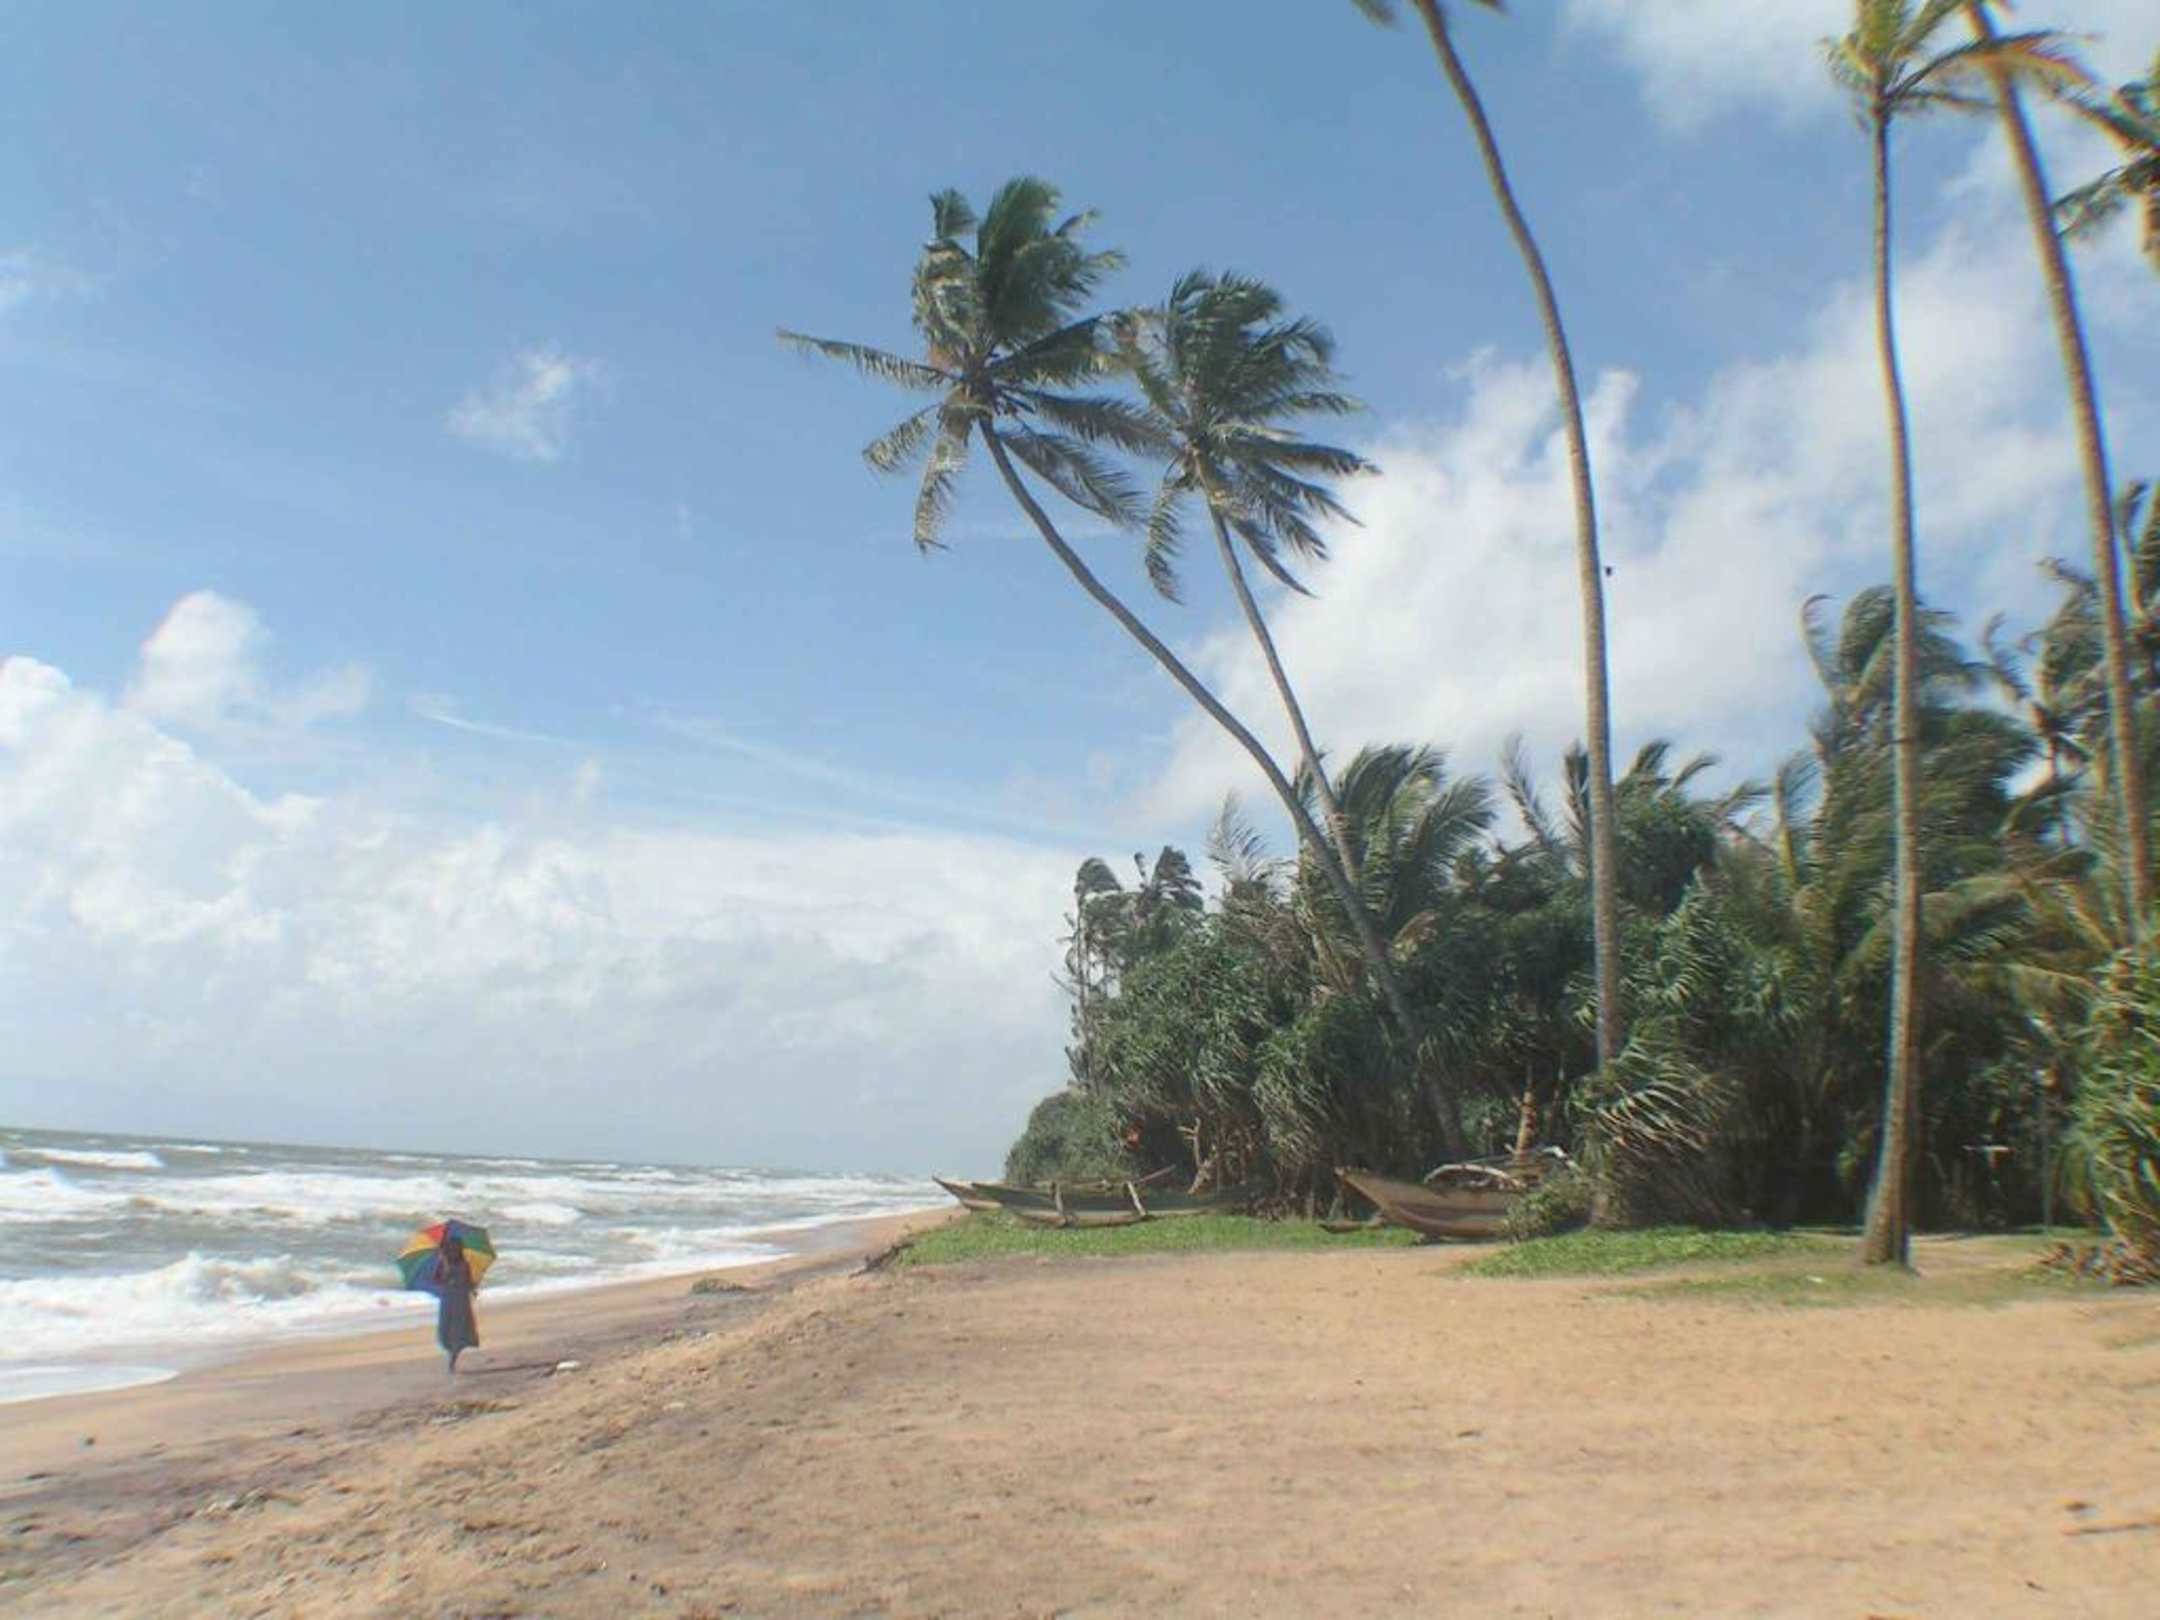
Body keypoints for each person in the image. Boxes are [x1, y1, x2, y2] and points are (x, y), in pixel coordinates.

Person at [436, 1235, 480, 1375]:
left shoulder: (464, 1264)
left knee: (460, 1329)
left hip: (461, 1299)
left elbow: (469, 1280)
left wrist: (472, 1289)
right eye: (451, 1249)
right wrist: (445, 1270)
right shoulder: (442, 1264)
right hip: (448, 1299)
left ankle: (453, 1359)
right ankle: (451, 1356)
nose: (454, 1251)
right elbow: (436, 1280)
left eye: (456, 1248)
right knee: (448, 1329)